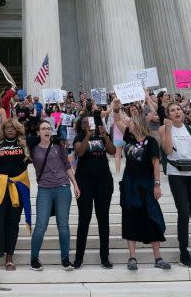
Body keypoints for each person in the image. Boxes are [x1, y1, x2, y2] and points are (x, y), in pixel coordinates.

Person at [112, 107, 170, 271]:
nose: (127, 123)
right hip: (130, 184)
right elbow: (117, 120)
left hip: (146, 184)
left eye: (130, 121)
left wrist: (157, 185)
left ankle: (157, 258)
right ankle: (132, 258)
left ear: (137, 123)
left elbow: (156, 164)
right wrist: (116, 107)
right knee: (130, 218)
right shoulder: (128, 138)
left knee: (151, 218)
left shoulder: (151, 141)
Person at [159, 98, 191, 268]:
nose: (176, 112)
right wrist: (167, 129)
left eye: (178, 109)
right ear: (168, 115)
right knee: (184, 211)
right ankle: (184, 252)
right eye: (172, 110)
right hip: (176, 174)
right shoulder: (163, 129)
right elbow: (166, 150)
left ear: (182, 112)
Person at [29, 120, 79, 271]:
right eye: (43, 129)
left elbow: (67, 165)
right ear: (38, 132)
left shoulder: (58, 145)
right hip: (44, 188)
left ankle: (65, 258)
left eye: (48, 129)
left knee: (63, 225)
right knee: (40, 225)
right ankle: (34, 258)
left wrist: (75, 184)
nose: (46, 131)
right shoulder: (32, 148)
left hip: (62, 187)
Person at [0, 117, 30, 271]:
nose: (9, 129)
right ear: (3, 129)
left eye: (12, 127)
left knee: (12, 223)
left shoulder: (24, 143)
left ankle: (9, 258)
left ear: (17, 129)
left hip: (18, 187)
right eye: (7, 127)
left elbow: (34, 158)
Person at [72, 106, 116, 270]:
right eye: (84, 122)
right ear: (80, 125)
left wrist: (105, 136)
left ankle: (105, 257)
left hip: (104, 181)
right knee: (84, 219)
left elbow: (112, 151)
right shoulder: (78, 137)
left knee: (103, 219)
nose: (86, 124)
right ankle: (78, 258)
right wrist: (87, 137)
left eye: (88, 121)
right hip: (84, 181)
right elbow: (80, 152)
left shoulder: (101, 135)